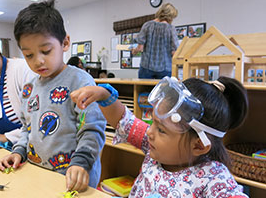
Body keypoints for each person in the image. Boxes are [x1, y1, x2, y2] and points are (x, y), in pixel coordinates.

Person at [70, 76, 249, 197]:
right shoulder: (154, 147)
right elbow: (123, 120)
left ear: (199, 146)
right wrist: (103, 95)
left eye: (161, 130)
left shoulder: (214, 179)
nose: (150, 131)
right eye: (152, 122)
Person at [0, 0, 106, 192]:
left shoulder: (80, 81)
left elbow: (92, 129)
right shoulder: (29, 87)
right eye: (29, 55)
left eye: (46, 51)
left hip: (73, 180)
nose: (38, 61)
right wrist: (19, 151)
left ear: (65, 43)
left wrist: (81, 163)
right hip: (37, 176)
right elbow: (26, 129)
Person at [132, 3, 179, 79]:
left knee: (143, 89)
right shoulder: (171, 29)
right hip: (165, 68)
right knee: (163, 90)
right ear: (170, 16)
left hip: (146, 66)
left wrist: (134, 51)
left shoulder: (147, 25)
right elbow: (174, 52)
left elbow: (140, 48)